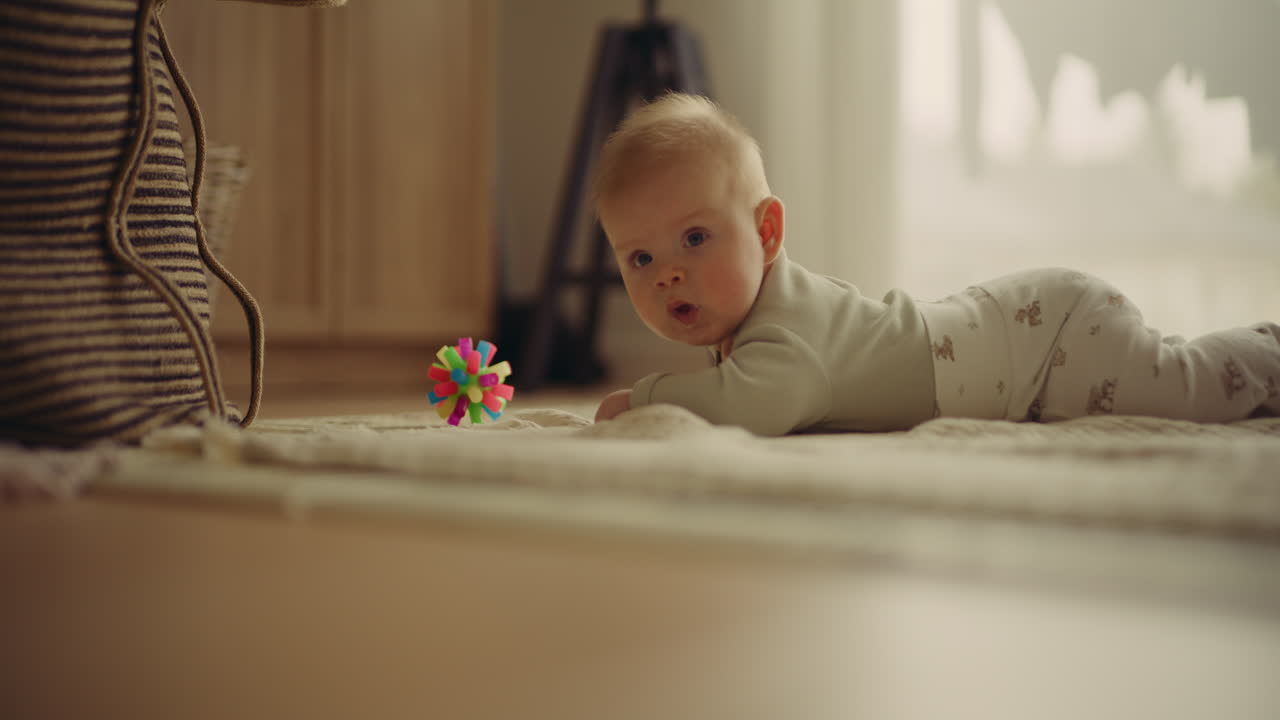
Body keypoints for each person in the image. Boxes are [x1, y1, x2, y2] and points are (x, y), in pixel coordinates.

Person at [592, 93, 1280, 435]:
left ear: (767, 231)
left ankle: (1268, 353)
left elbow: (758, 403)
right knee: (1168, 369)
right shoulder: (757, 325)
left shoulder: (787, 332)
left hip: (1045, 344)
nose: (667, 274)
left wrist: (645, 400)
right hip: (1018, 336)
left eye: (694, 239)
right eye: (641, 257)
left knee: (1181, 388)